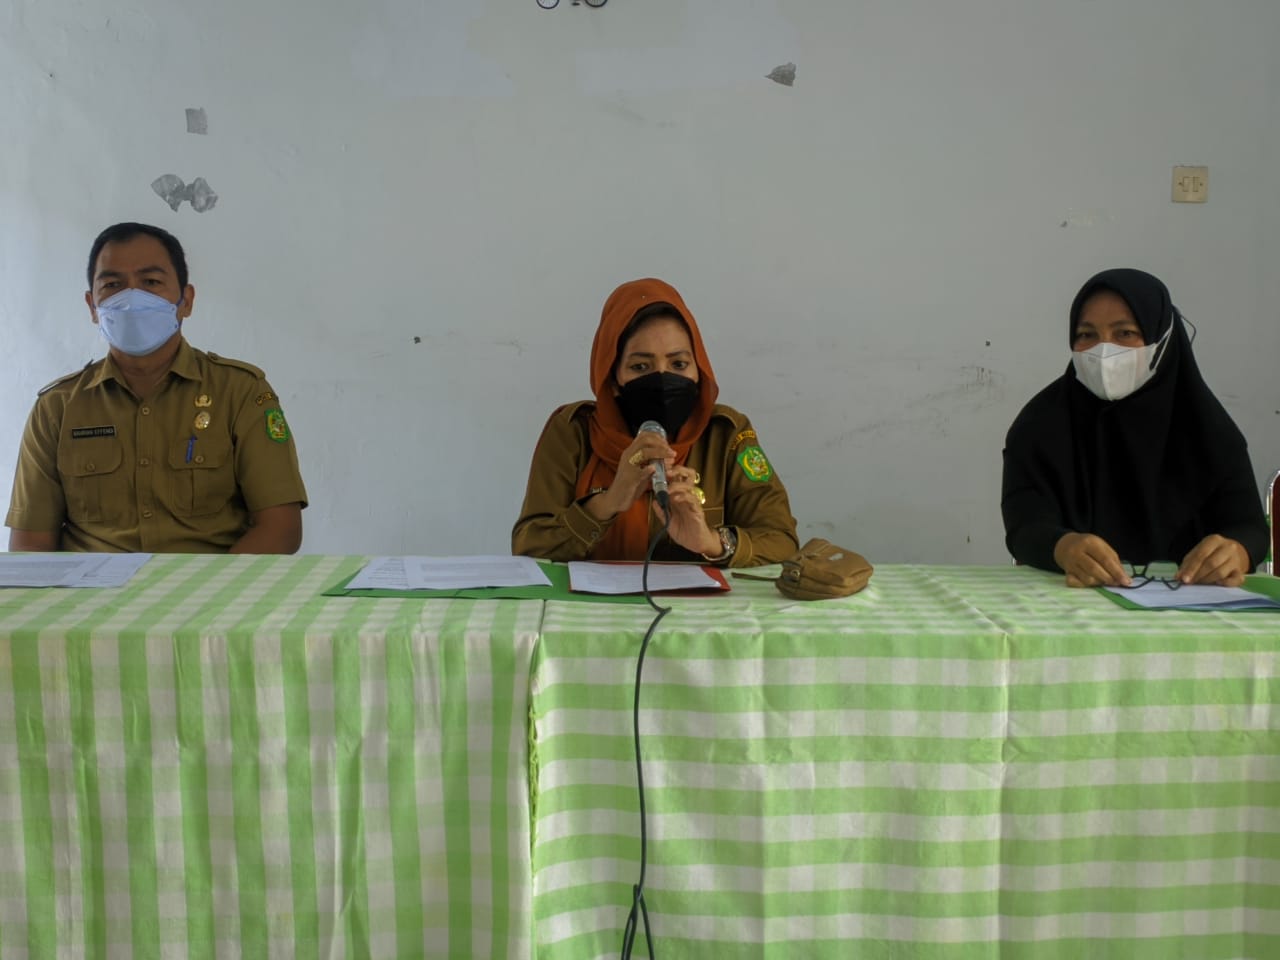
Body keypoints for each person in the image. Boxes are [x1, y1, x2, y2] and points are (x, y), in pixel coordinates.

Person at [6, 222, 307, 554]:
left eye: (151, 282)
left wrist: (203, 598)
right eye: (113, 284)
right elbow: (31, 543)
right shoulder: (57, 407)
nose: (132, 297)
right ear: (93, 306)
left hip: (209, 593)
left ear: (186, 301)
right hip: (89, 598)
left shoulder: (240, 392)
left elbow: (280, 529)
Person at [1001, 267, 1268, 588]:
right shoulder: (1040, 425)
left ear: (1163, 338)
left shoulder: (1208, 431)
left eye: (1125, 333)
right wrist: (1063, 547)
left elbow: (1249, 527)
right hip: (1068, 603)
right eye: (1087, 334)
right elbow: (1024, 525)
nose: (1104, 350)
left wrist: (1236, 552)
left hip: (1190, 605)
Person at [512, 278, 798, 566]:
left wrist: (711, 542)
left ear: (699, 369)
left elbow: (781, 541)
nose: (662, 379)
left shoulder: (726, 434)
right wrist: (608, 503)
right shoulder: (573, 432)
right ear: (612, 379)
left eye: (678, 364)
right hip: (592, 607)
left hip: (697, 610)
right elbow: (529, 546)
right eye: (640, 367)